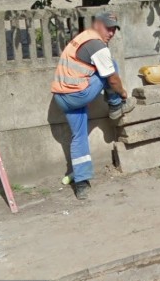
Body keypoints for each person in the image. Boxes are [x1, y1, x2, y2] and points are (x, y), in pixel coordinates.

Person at [50, 12, 136, 200]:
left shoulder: (82, 37)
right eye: (108, 28)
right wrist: (122, 94)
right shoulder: (97, 46)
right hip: (77, 95)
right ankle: (115, 107)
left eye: (114, 29)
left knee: (78, 136)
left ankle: (81, 184)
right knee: (110, 67)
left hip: (61, 96)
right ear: (98, 25)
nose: (111, 33)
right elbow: (112, 80)